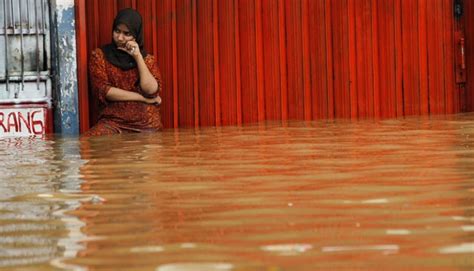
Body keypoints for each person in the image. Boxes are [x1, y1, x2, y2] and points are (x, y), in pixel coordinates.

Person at [84, 8, 162, 136]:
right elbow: (104, 91)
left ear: (136, 36)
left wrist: (137, 57)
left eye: (127, 34)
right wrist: (143, 99)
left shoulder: (146, 60)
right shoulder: (100, 56)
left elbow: (152, 90)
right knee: (88, 141)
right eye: (117, 31)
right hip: (112, 122)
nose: (120, 38)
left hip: (146, 124)